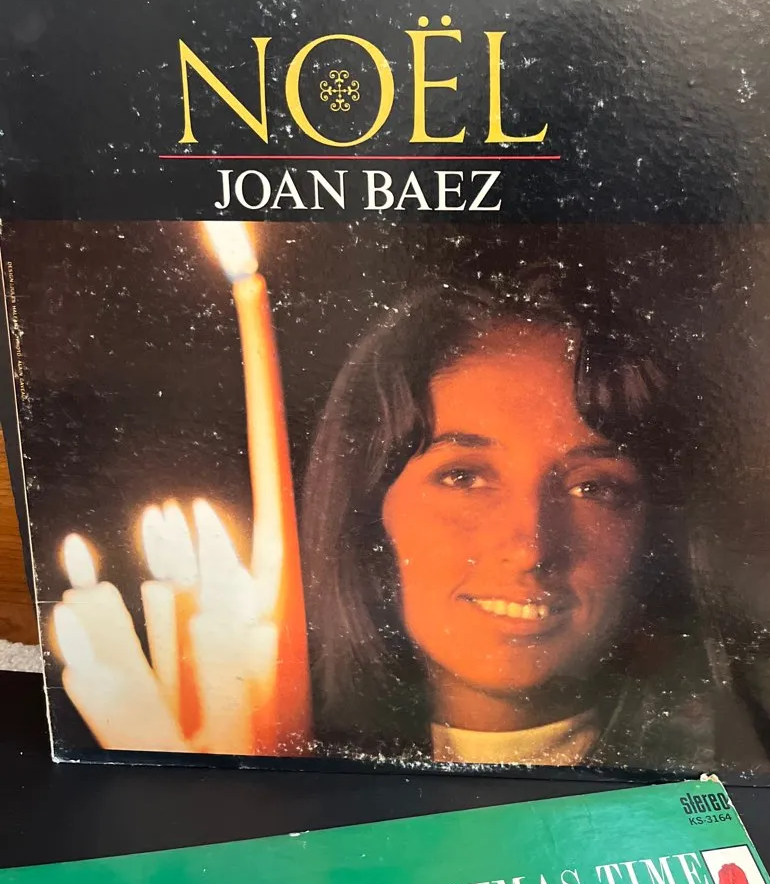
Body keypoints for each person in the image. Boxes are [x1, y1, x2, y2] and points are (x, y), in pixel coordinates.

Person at [54, 263, 730, 772]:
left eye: (593, 487)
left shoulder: (718, 770)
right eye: (464, 477)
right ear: (369, 512)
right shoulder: (278, 763)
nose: (530, 545)